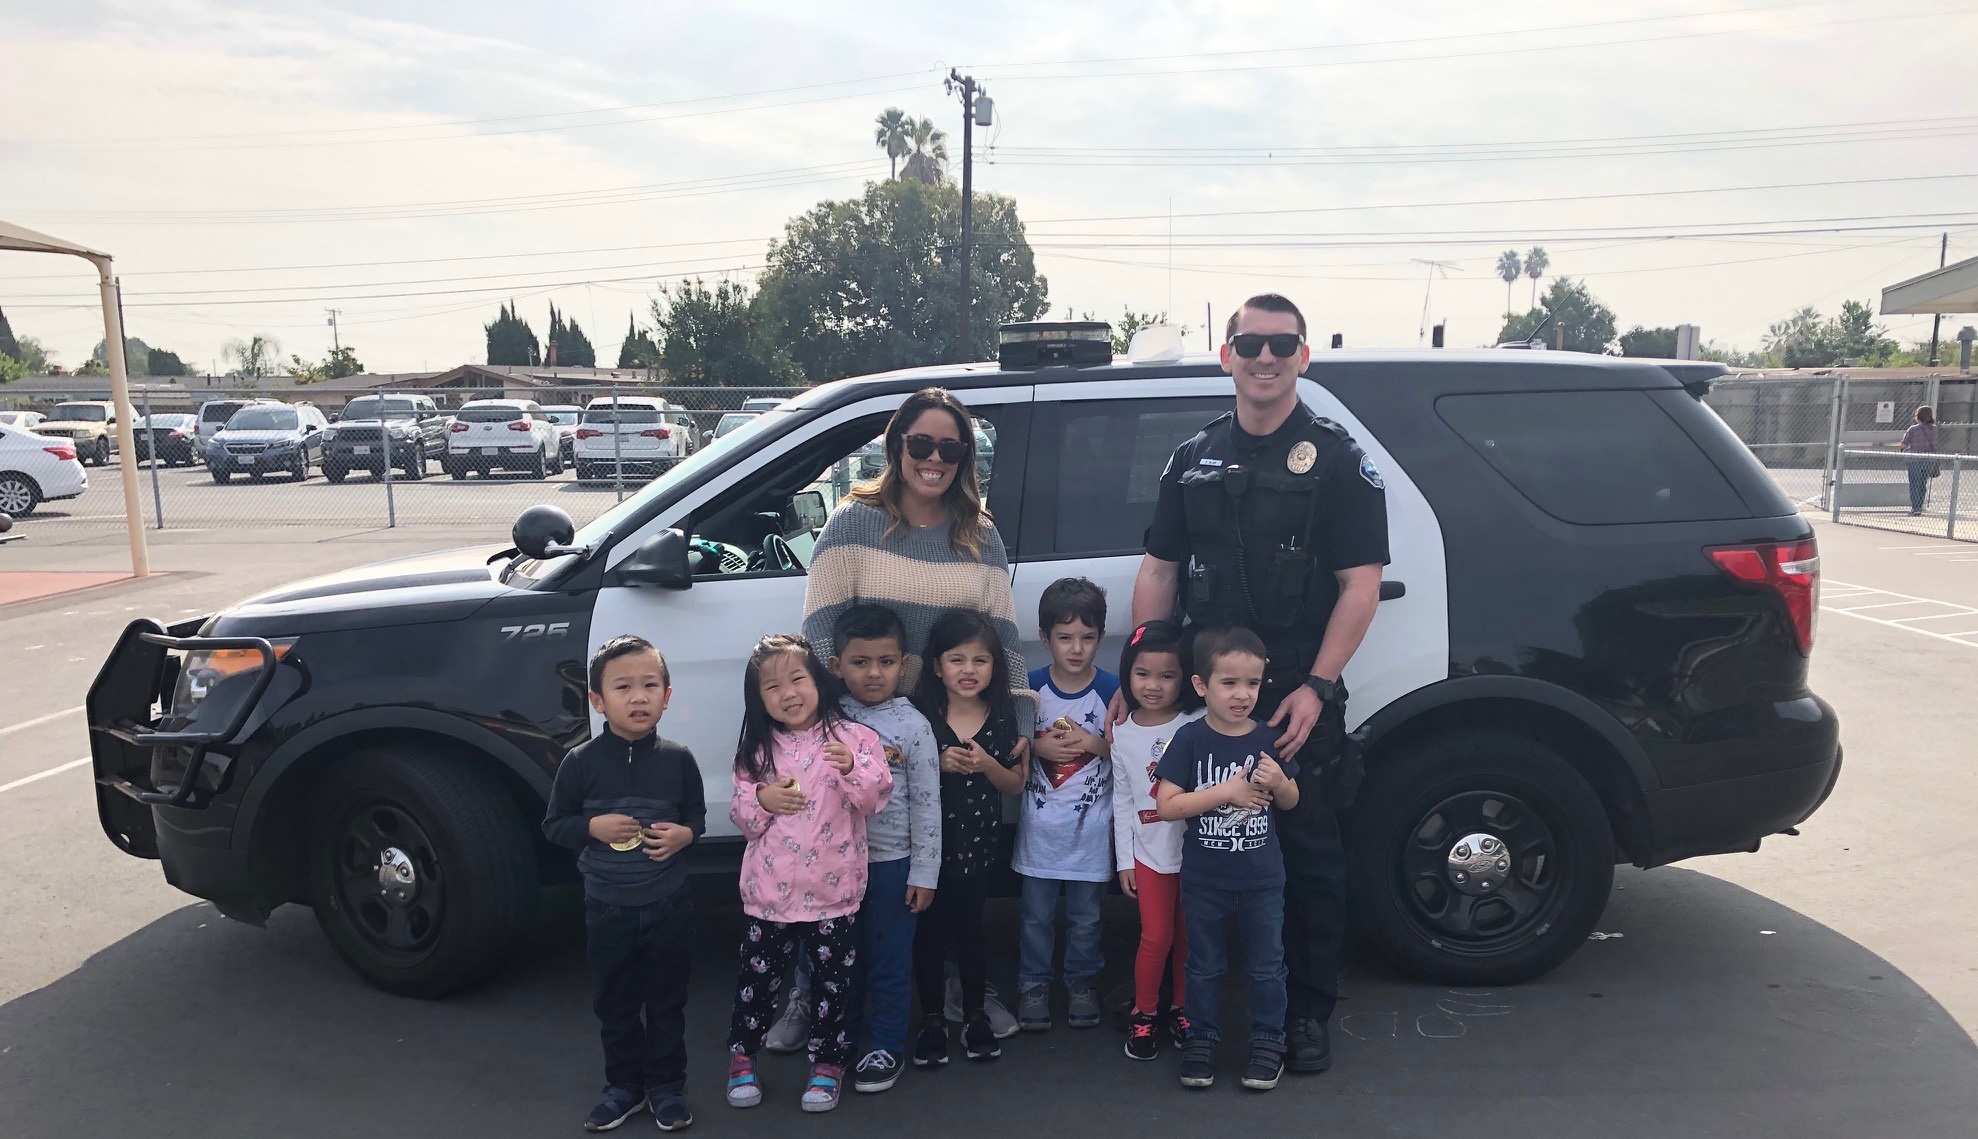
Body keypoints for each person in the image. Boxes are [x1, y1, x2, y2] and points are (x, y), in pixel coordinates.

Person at [1120, 292, 1389, 1077]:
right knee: (1198, 847)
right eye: (1250, 344)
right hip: (1207, 697)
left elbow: (1360, 583)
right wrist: (1147, 674)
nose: (1265, 358)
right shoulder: (1192, 457)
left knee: (1307, 853)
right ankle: (1200, 1003)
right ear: (1226, 354)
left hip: (1294, 695)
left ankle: (1305, 1013)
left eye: (1281, 344)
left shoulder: (1337, 459)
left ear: (1304, 355)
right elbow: (1160, 571)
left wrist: (1318, 686)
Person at [794, 385, 1033, 1042]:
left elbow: (1004, 640)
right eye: (920, 443)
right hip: (867, 728)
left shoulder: (978, 534)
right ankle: (808, 988)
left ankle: (956, 986)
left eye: (949, 447)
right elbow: (819, 632)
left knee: (944, 864)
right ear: (896, 446)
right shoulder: (853, 521)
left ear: (965, 457)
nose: (934, 458)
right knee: (842, 855)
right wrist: (840, 727)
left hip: (953, 724)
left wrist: (1023, 731)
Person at [724, 634, 892, 1115]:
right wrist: (761, 799)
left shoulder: (854, 738)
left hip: (834, 894)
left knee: (832, 986)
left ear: (819, 680)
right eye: (772, 687)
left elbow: (875, 798)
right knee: (756, 985)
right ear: (759, 699)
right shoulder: (757, 749)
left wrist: (853, 769)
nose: (788, 693)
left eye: (797, 678)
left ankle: (828, 1065)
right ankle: (742, 1058)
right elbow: (741, 814)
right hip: (769, 896)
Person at [543, 635, 705, 1133]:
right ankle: (623, 1088)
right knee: (614, 1003)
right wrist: (591, 828)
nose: (638, 697)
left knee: (666, 1002)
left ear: (668, 695)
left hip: (667, 904)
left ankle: (666, 1087)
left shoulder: (678, 759)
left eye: (649, 685)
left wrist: (685, 834)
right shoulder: (581, 763)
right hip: (607, 907)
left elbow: (695, 817)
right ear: (597, 700)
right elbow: (554, 825)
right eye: (623, 687)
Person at [1154, 626, 1300, 1091]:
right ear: (1201, 685)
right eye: (1229, 683)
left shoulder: (1269, 739)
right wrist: (1227, 792)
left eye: (1253, 684)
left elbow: (1293, 802)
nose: (1242, 694)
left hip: (1262, 880)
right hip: (1206, 880)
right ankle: (1201, 1039)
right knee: (1203, 966)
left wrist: (1280, 783)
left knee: (1266, 966)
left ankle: (1267, 1042)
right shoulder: (1189, 740)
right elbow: (1167, 806)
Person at [826, 604, 943, 1095]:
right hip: (832, 865)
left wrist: (924, 873)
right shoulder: (825, 717)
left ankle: (888, 1044)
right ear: (836, 665)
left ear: (904, 664)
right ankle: (838, 1041)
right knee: (838, 961)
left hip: (894, 866)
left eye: (886, 661)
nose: (874, 673)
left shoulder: (913, 726)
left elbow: (927, 802)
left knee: (891, 959)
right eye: (860, 662)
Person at [909, 610, 1028, 1067]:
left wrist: (986, 764)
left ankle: (976, 1014)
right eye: (956, 660)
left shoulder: (1001, 717)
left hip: (978, 849)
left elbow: (1014, 784)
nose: (968, 670)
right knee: (929, 935)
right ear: (936, 666)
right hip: (927, 851)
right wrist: (936, 763)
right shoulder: (920, 715)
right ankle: (934, 1019)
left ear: (995, 667)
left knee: (972, 932)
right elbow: (895, 770)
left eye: (980, 660)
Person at [1015, 576, 1118, 1032]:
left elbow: (1131, 752)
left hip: (1091, 834)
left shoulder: (1114, 691)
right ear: (1044, 638)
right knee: (1035, 919)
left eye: (1087, 637)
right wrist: (1038, 748)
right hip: (1037, 835)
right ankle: (1033, 985)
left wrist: (1093, 744)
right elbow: (1008, 743)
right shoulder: (1030, 691)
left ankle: (1082, 983)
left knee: (1086, 920)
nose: (1076, 648)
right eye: (1064, 637)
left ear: (1100, 636)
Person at [1109, 619, 1205, 1061]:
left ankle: (1183, 1009)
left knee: (1189, 935)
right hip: (1148, 855)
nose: (1153, 685)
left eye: (1167, 676)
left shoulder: (1198, 722)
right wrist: (1124, 861)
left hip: (1197, 851)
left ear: (1185, 680)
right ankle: (1144, 1013)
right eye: (1142, 674)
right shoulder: (1123, 734)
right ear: (1127, 674)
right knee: (1156, 937)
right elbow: (1123, 799)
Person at [1903, 405, 1940, 516]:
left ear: (1917, 416)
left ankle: (1916, 508)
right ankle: (1920, 505)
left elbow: (1903, 443)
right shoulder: (1934, 428)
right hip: (1929, 460)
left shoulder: (1913, 429)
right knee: (1922, 483)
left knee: (1914, 483)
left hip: (1915, 459)